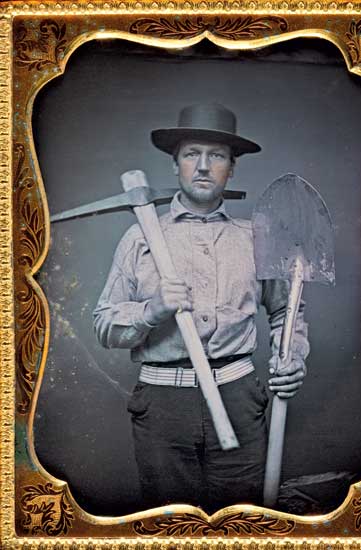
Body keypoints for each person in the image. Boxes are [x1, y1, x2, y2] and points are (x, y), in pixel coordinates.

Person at [93, 103, 308, 511]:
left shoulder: (256, 237)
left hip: (240, 398)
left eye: (218, 156)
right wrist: (152, 310)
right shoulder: (139, 238)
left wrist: (292, 357)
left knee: (242, 521)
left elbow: (286, 312)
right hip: (162, 408)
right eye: (192, 154)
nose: (204, 166)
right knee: (172, 528)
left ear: (233, 168)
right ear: (175, 165)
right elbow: (104, 325)